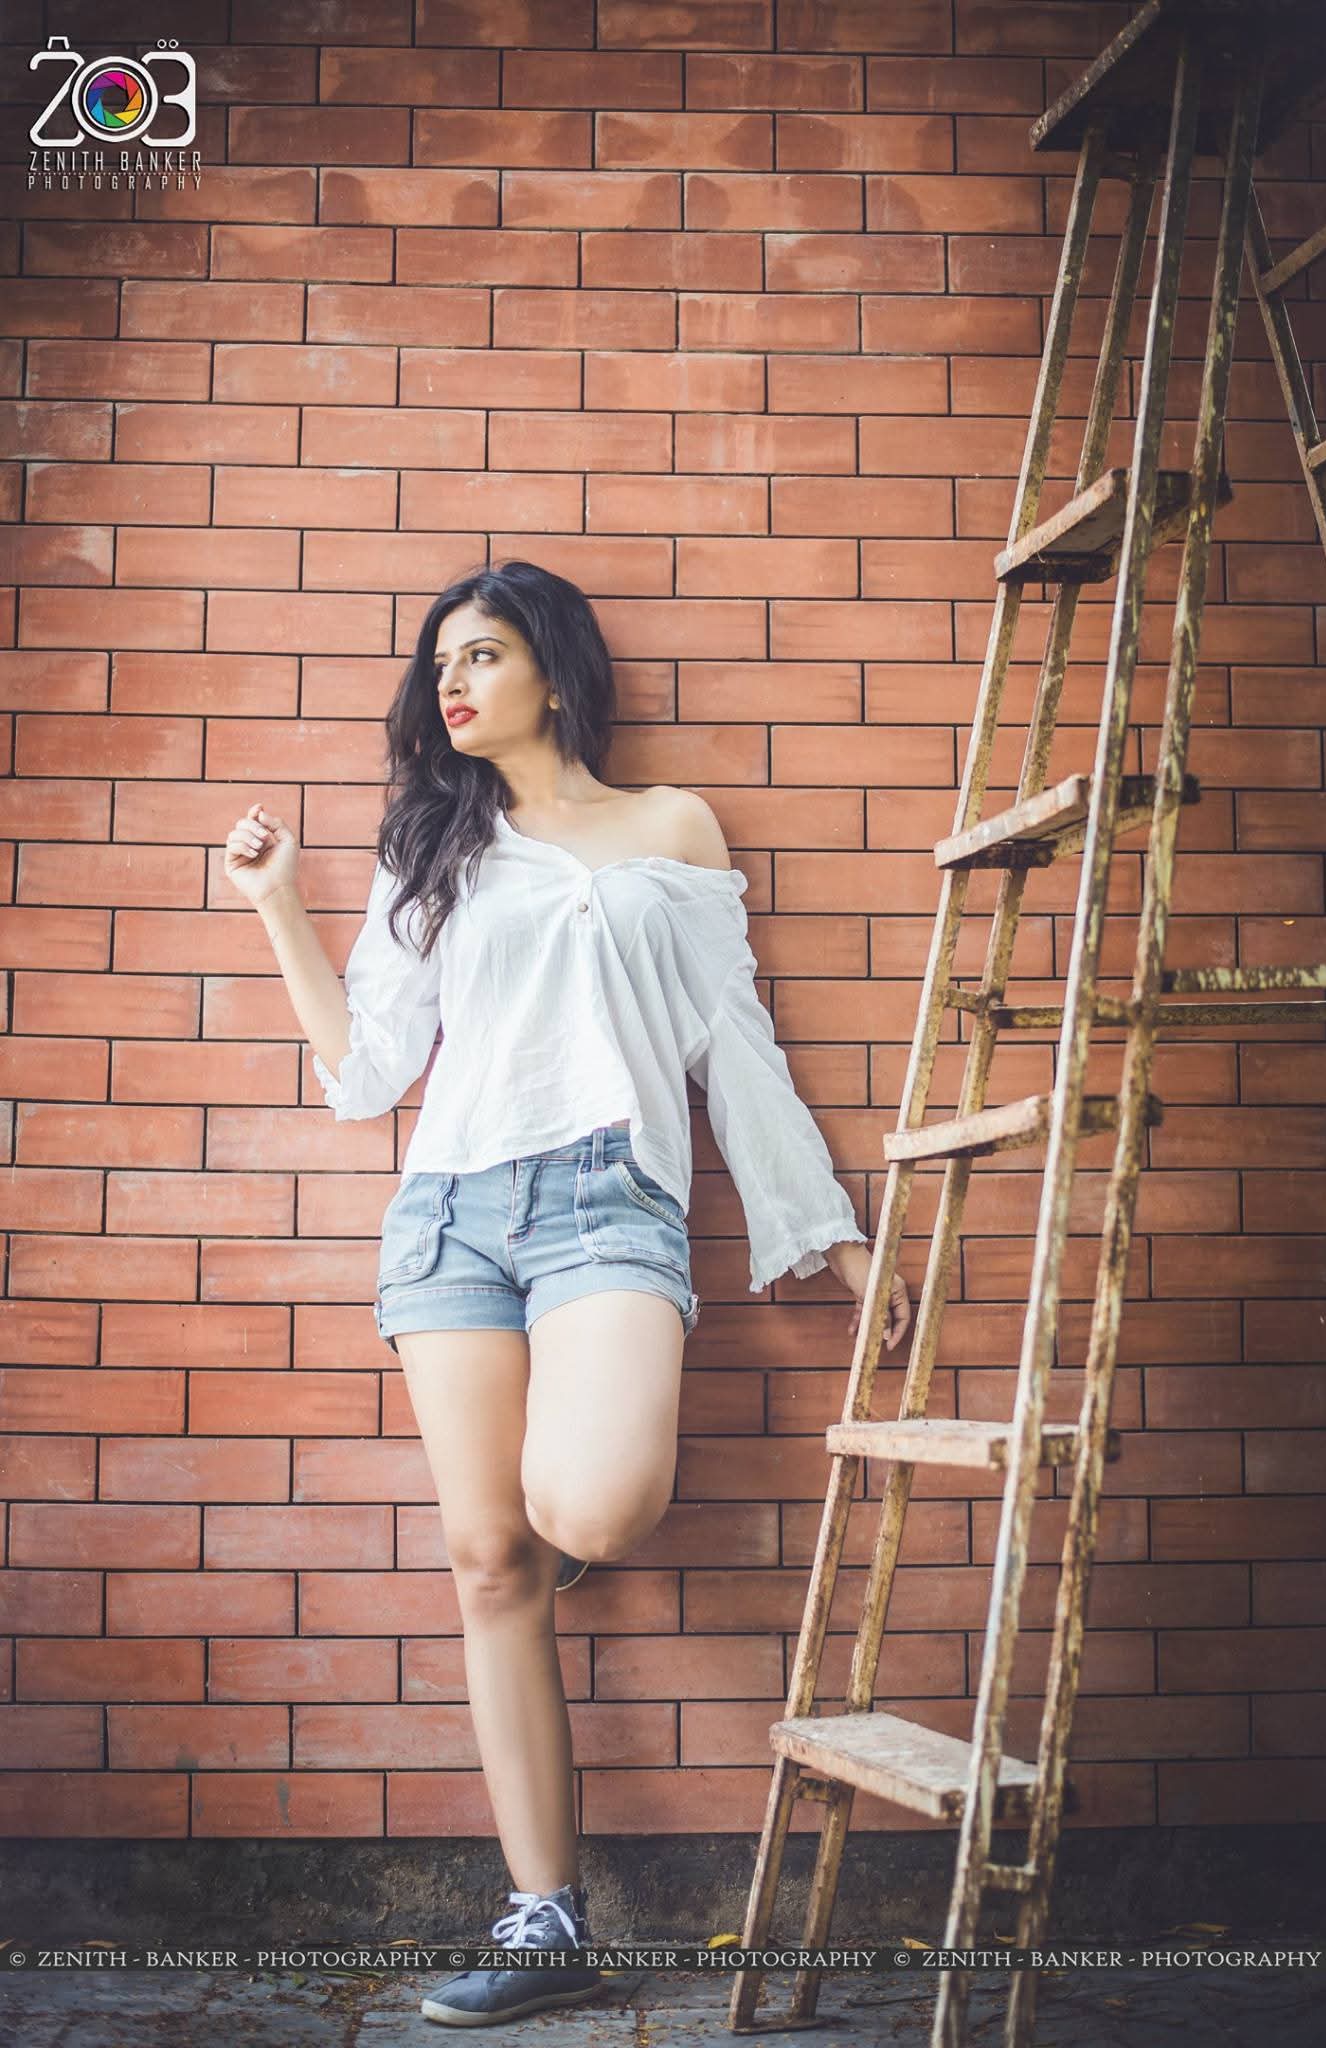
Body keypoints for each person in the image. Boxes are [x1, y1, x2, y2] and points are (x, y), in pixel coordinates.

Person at [222, 559, 911, 2027]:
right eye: (439, 667)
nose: (452, 685)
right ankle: (547, 1921)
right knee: (491, 1569)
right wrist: (281, 906)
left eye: (480, 655)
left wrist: (833, 1237)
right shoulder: (434, 842)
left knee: (585, 1513)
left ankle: (555, 1544)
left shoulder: (670, 831)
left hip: (611, 1200)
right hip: (456, 1210)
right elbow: (367, 1077)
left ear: (554, 668)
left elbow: (738, 1048)